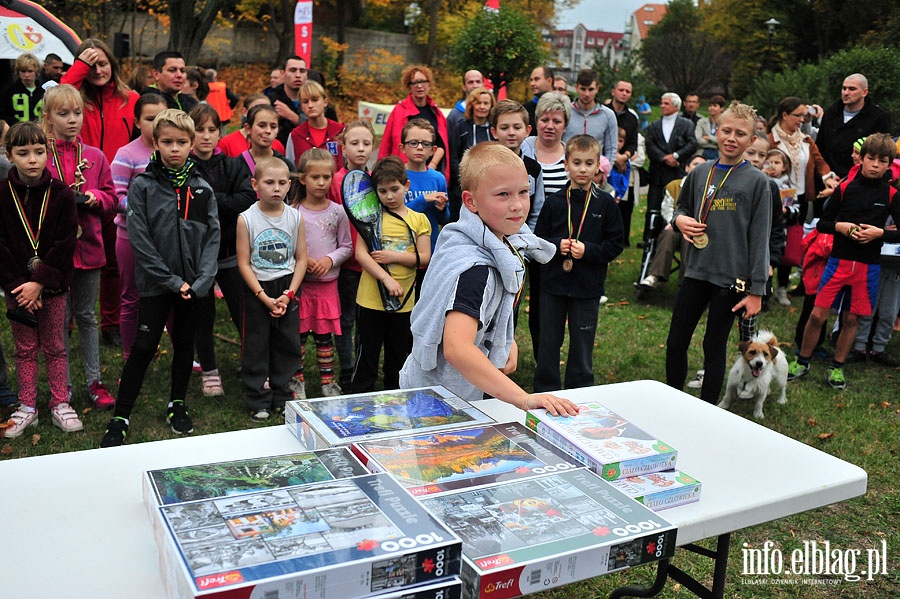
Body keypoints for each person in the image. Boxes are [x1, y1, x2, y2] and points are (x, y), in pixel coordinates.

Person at [399, 142, 579, 416]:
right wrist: (523, 399)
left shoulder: (476, 237)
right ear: (471, 201)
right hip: (437, 405)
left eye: (523, 192)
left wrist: (505, 339)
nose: (517, 205)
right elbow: (457, 349)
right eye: (503, 195)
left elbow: (488, 310)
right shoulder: (475, 269)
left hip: (446, 392)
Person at [100, 109, 220, 447]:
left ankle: (177, 402)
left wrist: (202, 281)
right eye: (167, 142)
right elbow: (140, 239)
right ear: (156, 143)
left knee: (184, 342)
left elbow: (212, 235)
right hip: (157, 284)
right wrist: (170, 280)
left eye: (182, 142)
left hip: (193, 286)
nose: (175, 149)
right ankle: (122, 415)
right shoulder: (144, 185)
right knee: (143, 346)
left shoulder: (200, 187)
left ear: (192, 143)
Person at [665, 101, 772, 405]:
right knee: (676, 342)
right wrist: (679, 220)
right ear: (716, 131)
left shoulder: (758, 182)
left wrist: (757, 291)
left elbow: (760, 237)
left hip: (732, 280)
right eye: (726, 130)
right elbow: (681, 207)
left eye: (740, 134)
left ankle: (707, 410)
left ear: (752, 141)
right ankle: (671, 399)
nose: (731, 138)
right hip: (697, 270)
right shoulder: (701, 173)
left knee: (714, 346)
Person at [788, 134, 900, 390]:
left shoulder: (892, 194)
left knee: (852, 320)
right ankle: (802, 361)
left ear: (889, 164)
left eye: (882, 161)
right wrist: (841, 226)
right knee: (817, 315)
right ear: (861, 159)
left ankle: (837, 367)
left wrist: (880, 233)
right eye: (870, 158)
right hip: (837, 262)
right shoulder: (845, 187)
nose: (875, 165)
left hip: (868, 267)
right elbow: (823, 223)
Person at [0, 122, 79, 438]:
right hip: (17, 289)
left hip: (53, 287)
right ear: (9, 155)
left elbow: (65, 242)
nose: (32, 159)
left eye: (38, 151)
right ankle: (27, 406)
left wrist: (40, 282)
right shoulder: (2, 194)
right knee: (24, 347)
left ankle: (60, 402)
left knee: (56, 345)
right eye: (23, 153)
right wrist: (21, 285)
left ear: (48, 153)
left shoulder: (61, 194)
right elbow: (1, 244)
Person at [62, 39, 142, 350]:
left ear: (113, 65)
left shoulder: (129, 99)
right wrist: (79, 67)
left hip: (114, 189)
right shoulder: (75, 100)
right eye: (89, 64)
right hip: (75, 190)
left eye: (102, 63)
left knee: (112, 262)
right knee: (68, 260)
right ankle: (64, 322)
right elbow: (57, 94)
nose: (97, 70)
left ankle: (112, 323)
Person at [42, 84, 117, 410]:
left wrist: (94, 198)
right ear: (48, 118)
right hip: (54, 253)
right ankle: (63, 385)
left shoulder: (96, 157)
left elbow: (113, 198)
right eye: (63, 114)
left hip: (88, 248)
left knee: (87, 315)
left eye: (77, 113)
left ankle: (94, 380)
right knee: (59, 319)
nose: (72, 120)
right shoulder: (41, 156)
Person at [533, 135, 624, 391]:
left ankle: (580, 390)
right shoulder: (554, 202)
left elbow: (615, 243)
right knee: (549, 341)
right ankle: (544, 389)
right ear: (566, 165)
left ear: (598, 166)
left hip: (587, 288)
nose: (582, 169)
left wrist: (589, 251)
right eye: (576, 162)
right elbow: (538, 240)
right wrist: (556, 245)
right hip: (553, 286)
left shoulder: (606, 204)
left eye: (588, 163)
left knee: (582, 342)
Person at [189, 104, 257, 395]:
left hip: (231, 253)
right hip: (198, 258)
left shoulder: (233, 165)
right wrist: (222, 200)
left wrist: (210, 199)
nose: (206, 136)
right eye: (199, 130)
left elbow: (245, 198)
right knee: (202, 316)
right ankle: (209, 369)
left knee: (243, 313)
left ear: (220, 133)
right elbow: (187, 207)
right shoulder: (184, 168)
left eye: (211, 130)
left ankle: (253, 364)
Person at [351, 156, 431, 393]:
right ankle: (360, 397)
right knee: (367, 352)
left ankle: (395, 396)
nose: (389, 196)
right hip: (370, 300)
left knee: (398, 353)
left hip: (404, 303)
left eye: (395, 189)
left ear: (406, 186)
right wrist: (385, 277)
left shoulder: (419, 220)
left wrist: (394, 257)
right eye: (382, 191)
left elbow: (425, 257)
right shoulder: (370, 218)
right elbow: (361, 254)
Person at [236, 157, 306, 420]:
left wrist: (289, 295)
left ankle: (281, 392)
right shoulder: (246, 219)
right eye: (269, 182)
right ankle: (257, 397)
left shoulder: (295, 217)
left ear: (289, 185)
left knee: (286, 342)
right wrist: (264, 297)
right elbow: (243, 263)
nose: (275, 188)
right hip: (258, 288)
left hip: (287, 287)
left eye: (281, 183)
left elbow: (301, 259)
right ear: (255, 184)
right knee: (256, 343)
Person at [288, 148, 352, 400]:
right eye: (315, 177)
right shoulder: (293, 212)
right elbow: (289, 246)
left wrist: (329, 259)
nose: (322, 183)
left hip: (327, 287)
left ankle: (328, 382)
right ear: (303, 179)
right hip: (302, 286)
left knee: (325, 339)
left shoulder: (337, 212)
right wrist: (304, 261)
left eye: (327, 177)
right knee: (299, 337)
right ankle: (297, 381)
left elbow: (346, 246)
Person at [110, 94, 169, 359]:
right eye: (149, 118)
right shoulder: (127, 154)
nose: (157, 124)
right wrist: (144, 214)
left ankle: (177, 349)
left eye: (163, 118)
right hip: (131, 236)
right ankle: (130, 353)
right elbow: (116, 196)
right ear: (136, 122)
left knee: (171, 294)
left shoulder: (174, 151)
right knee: (132, 297)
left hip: (167, 238)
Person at [521, 92, 571, 359]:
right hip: (526, 233)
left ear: (565, 125)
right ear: (536, 121)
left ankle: (547, 354)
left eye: (557, 120)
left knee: (549, 301)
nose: (550, 125)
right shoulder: (524, 147)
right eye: (545, 119)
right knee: (529, 299)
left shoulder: (570, 154)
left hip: (558, 238)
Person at [328, 120, 376, 389]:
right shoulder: (336, 180)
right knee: (346, 319)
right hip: (347, 263)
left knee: (365, 320)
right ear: (344, 148)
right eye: (354, 144)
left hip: (372, 261)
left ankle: (361, 367)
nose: (360, 149)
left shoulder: (375, 179)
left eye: (366, 144)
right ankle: (346, 368)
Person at [639, 155, 708, 294]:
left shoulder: (710, 190)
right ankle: (654, 275)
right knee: (669, 233)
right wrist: (674, 221)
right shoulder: (674, 186)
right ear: (687, 167)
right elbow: (667, 208)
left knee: (689, 239)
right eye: (695, 164)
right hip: (676, 226)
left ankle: (687, 281)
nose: (699, 168)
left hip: (697, 231)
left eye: (703, 166)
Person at [767, 97, 837, 224]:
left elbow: (819, 162)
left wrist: (828, 178)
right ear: (784, 115)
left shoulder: (806, 140)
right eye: (797, 115)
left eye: (803, 115)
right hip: (778, 196)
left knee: (797, 236)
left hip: (803, 197)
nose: (802, 120)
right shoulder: (770, 141)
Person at [378, 64, 450, 183]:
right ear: (409, 86)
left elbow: (441, 145)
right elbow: (386, 143)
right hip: (402, 172)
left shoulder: (436, 113)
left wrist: (432, 165)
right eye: (415, 82)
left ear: (429, 84)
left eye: (423, 81)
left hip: (429, 174)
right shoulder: (399, 111)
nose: (420, 86)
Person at [643, 92, 698, 245]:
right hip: (658, 173)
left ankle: (672, 233)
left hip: (676, 173)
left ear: (675, 106)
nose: (662, 106)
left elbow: (692, 143)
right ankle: (649, 238)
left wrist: (676, 156)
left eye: (666, 103)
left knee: (676, 205)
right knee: (652, 207)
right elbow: (650, 145)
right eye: (662, 102)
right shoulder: (654, 125)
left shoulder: (687, 124)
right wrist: (664, 158)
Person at [815, 74, 891, 179]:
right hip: (828, 177)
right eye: (844, 88)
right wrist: (826, 175)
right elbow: (820, 147)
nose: (846, 93)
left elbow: (882, 152)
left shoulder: (878, 118)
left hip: (859, 180)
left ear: (864, 92)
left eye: (852, 89)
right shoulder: (831, 113)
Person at [489, 100, 544, 233]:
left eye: (517, 127)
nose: (511, 132)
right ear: (494, 132)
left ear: (527, 130)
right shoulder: (484, 167)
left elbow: (537, 210)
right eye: (504, 128)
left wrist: (527, 239)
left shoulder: (534, 168)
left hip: (523, 239)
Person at [401, 118, 449, 257]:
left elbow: (444, 219)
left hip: (431, 250)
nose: (420, 147)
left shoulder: (438, 178)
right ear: (402, 148)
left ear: (433, 150)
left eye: (425, 144)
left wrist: (442, 209)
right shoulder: (396, 175)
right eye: (413, 143)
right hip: (403, 249)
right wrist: (422, 200)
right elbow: (395, 216)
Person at [449, 86, 495, 217]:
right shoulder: (461, 127)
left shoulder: (494, 129)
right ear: (471, 105)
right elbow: (454, 157)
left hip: (490, 185)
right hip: (463, 186)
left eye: (486, 103)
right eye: (478, 102)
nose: (482, 106)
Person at [285, 81, 344, 171]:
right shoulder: (295, 136)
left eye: (315, 100)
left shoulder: (340, 132)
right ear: (301, 106)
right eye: (305, 102)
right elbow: (290, 170)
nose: (310, 105)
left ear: (325, 102)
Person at [563, 69, 616, 164]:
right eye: (583, 89)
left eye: (591, 89)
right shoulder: (565, 112)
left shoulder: (608, 115)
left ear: (597, 89)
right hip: (567, 171)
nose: (586, 94)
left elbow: (611, 149)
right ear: (576, 88)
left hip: (596, 173)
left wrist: (604, 172)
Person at [235, 103, 293, 180]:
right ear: (248, 128)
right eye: (262, 126)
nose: (268, 131)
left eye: (273, 127)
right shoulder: (236, 166)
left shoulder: (286, 165)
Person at [218, 93, 285, 157]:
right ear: (245, 111)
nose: (263, 112)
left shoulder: (277, 145)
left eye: (267, 108)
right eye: (256, 108)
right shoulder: (226, 143)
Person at [0, 53, 43, 124]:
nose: (26, 75)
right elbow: (3, 115)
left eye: (30, 71)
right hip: (15, 131)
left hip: (39, 131)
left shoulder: (43, 91)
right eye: (23, 71)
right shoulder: (8, 91)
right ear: (17, 72)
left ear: (37, 71)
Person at [446, 69, 484, 142]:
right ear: (464, 87)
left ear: (483, 85)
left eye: (478, 82)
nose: (475, 85)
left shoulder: (490, 113)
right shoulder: (454, 116)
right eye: (470, 82)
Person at [695, 95, 725, 160]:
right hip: (702, 154)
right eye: (710, 106)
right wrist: (716, 141)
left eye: (715, 106)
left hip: (719, 155)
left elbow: (724, 142)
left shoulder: (726, 124)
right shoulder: (701, 122)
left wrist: (709, 137)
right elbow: (698, 140)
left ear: (722, 108)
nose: (711, 108)